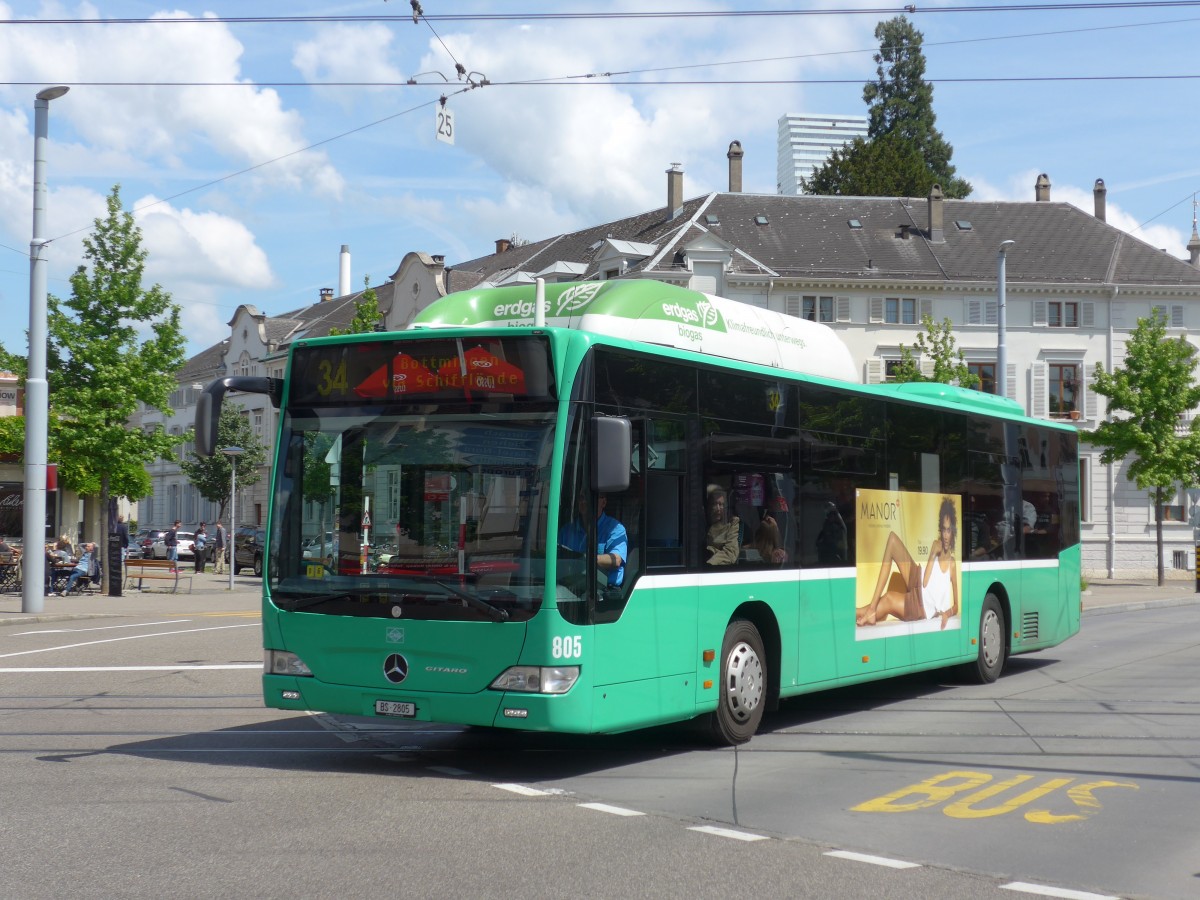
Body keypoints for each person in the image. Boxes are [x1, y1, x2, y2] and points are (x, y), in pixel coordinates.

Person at [855, 497, 960, 630]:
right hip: (917, 576)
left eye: (949, 530)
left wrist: (947, 613)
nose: (945, 535)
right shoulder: (936, 547)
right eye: (943, 530)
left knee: (888, 598)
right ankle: (871, 609)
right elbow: (925, 581)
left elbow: (956, 605)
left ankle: (860, 612)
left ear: (953, 532)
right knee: (892, 539)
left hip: (919, 606)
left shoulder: (952, 565)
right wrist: (933, 554)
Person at [558, 492, 627, 587]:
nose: (584, 501)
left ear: (603, 502)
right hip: (569, 587)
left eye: (590, 497)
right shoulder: (566, 530)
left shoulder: (615, 528)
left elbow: (616, 560)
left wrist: (583, 559)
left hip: (603, 592)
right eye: (581, 497)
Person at [705, 484, 740, 566]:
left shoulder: (732, 523)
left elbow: (730, 553)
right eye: (714, 504)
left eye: (721, 504)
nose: (718, 508)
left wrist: (709, 564)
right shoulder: (701, 521)